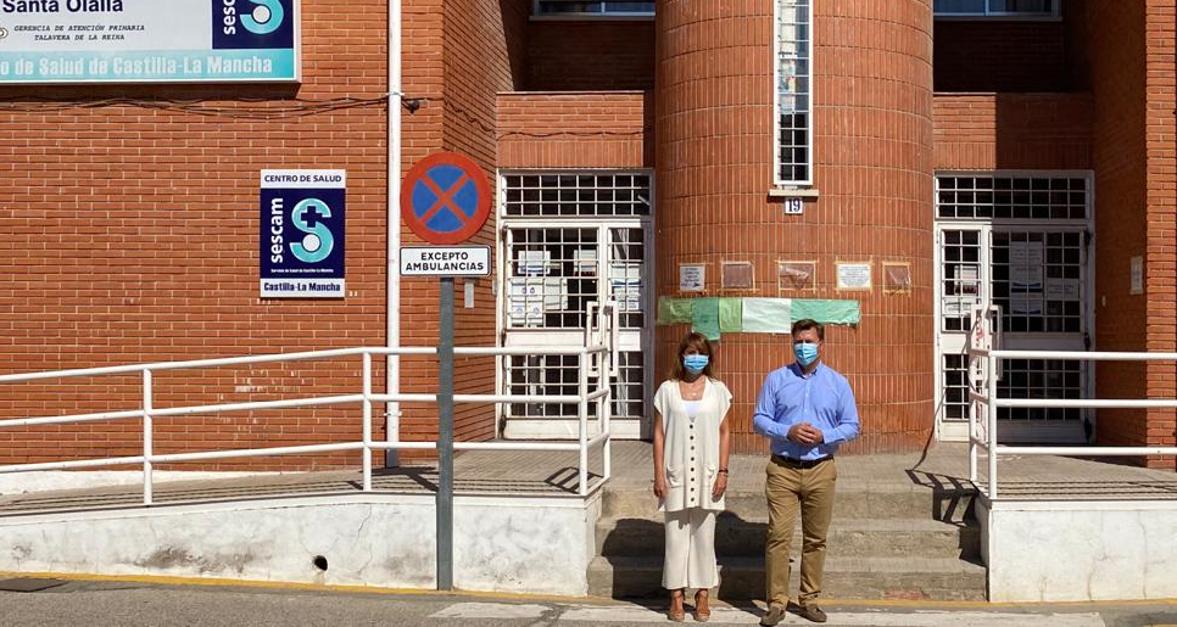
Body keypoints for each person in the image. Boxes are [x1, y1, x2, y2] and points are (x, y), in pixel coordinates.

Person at [752, 319, 860, 625]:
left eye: (809, 341)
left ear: (821, 344)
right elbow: (759, 418)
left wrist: (824, 436)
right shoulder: (777, 378)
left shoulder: (838, 383)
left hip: (821, 469)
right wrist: (788, 430)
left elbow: (852, 425)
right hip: (783, 468)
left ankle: (810, 599)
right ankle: (776, 602)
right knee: (778, 537)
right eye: (798, 341)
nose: (803, 347)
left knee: (815, 539)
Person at [653, 332, 732, 622]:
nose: (695, 358)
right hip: (675, 473)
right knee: (675, 537)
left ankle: (702, 594)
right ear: (681, 356)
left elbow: (725, 432)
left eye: (700, 353)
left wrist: (723, 471)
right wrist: (658, 473)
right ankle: (675, 596)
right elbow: (659, 434)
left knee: (704, 537)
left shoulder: (718, 390)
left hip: (708, 473)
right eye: (690, 352)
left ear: (708, 358)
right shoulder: (667, 390)